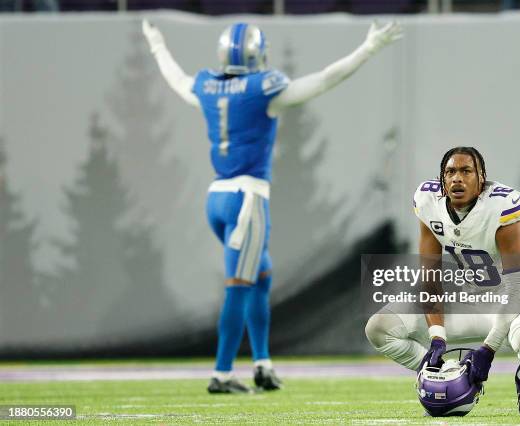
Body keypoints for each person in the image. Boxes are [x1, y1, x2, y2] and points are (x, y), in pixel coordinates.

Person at [143, 19, 402, 394]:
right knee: (240, 286)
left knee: (260, 278)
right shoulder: (262, 89)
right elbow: (326, 78)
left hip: (217, 199)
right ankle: (222, 373)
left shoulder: (209, 86)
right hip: (247, 201)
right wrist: (369, 49)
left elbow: (177, 78)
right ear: (256, 54)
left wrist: (156, 45)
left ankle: (262, 364)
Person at [365, 147, 520, 416]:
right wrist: (437, 338)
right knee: (379, 328)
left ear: (481, 178)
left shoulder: (502, 206)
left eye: (466, 171)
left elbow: (519, 288)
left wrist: (487, 350)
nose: (457, 179)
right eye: (450, 172)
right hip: (463, 299)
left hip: (510, 302)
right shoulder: (429, 202)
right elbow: (430, 279)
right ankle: (440, 373)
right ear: (442, 180)